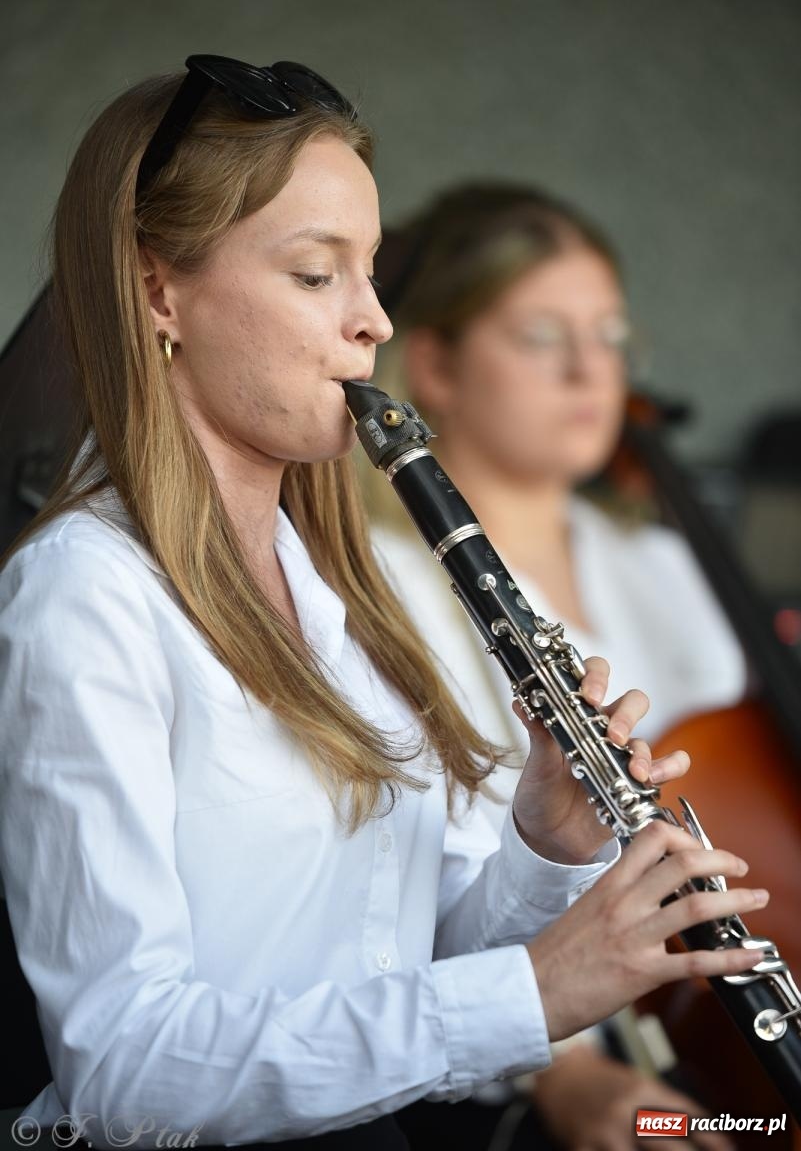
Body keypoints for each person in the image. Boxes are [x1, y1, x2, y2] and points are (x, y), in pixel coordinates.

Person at [0, 61, 766, 1151]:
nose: (373, 322)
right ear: (156, 290)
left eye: (368, 273)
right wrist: (533, 996)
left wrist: (548, 847)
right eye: (317, 275)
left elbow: (397, 963)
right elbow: (126, 1070)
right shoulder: (85, 594)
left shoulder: (330, 592)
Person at [370, 183, 749, 1150]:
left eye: (611, 334)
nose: (593, 370)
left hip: (705, 1007)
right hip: (561, 1049)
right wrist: (562, 1078)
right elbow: (419, 887)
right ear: (436, 365)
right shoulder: (380, 583)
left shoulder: (661, 561)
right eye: (542, 335)